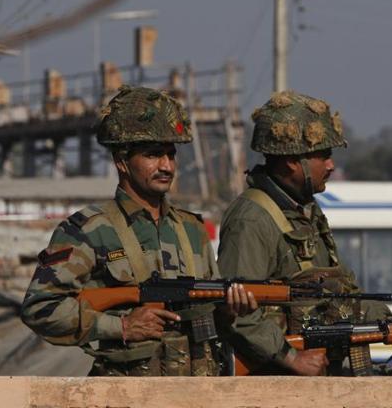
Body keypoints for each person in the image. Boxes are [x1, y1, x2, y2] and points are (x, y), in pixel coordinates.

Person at [21, 85, 257, 376]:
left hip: (197, 392)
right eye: (153, 155)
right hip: (125, 393)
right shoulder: (89, 230)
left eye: (171, 155)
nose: (167, 166)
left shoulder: (192, 229)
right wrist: (120, 326)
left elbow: (210, 317)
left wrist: (230, 309)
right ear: (122, 161)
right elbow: (41, 309)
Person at [217, 91, 392, 376]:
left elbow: (340, 299)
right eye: (324, 155)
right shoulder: (252, 219)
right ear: (292, 161)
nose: (331, 165)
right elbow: (236, 313)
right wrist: (291, 357)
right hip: (275, 384)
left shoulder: (306, 212)